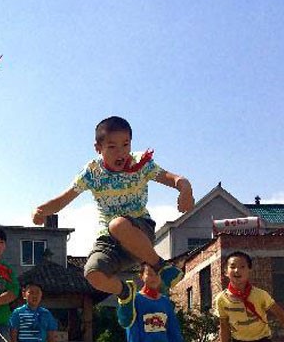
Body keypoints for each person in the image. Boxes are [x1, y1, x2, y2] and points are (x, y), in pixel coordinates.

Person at [32, 116, 194, 302]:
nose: (121, 153)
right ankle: (125, 293)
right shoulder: (92, 172)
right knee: (93, 273)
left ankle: (162, 267)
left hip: (138, 229)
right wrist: (41, 211)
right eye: (112, 147)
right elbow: (64, 198)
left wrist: (186, 190)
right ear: (98, 148)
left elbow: (175, 179)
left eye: (126, 145)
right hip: (109, 239)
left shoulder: (140, 163)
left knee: (117, 225)